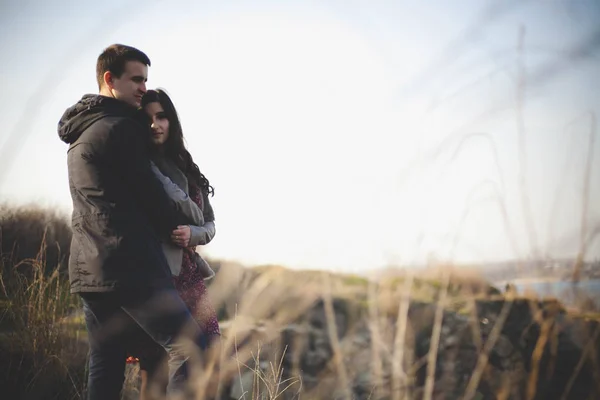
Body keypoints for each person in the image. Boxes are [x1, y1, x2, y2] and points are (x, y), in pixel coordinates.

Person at [57, 44, 210, 399]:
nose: (143, 88)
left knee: (105, 364)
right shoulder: (122, 128)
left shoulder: (80, 133)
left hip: (88, 267)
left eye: (146, 80)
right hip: (130, 265)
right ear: (110, 79)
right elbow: (154, 198)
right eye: (136, 80)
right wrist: (182, 217)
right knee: (192, 346)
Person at [126, 88, 221, 399]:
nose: (155, 124)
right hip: (158, 273)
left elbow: (209, 224)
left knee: (210, 354)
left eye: (162, 116)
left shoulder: (186, 166)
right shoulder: (140, 164)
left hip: (191, 276)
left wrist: (191, 235)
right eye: (148, 118)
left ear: (172, 121)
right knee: (155, 366)